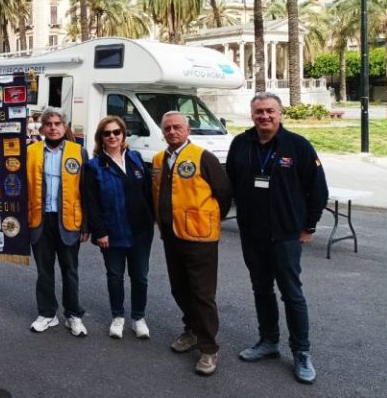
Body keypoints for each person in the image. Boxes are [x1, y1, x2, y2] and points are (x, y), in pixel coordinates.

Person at [226, 92, 328, 384]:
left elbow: (318, 190)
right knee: (261, 290)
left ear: (280, 114)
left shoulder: (297, 146)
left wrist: (309, 226)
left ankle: (301, 352)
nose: (264, 116)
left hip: (285, 235)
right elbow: (230, 182)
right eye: (259, 111)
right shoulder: (241, 144)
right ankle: (268, 341)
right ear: (252, 115)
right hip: (252, 234)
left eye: (270, 111)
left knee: (292, 294)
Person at [152, 111, 232, 376]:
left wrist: (207, 219)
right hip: (171, 236)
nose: (172, 132)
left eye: (177, 127)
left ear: (187, 130)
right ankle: (192, 330)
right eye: (168, 128)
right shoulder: (158, 159)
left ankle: (209, 349)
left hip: (200, 237)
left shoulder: (203, 157)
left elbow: (223, 193)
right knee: (179, 289)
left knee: (202, 294)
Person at [84, 116, 154, 340]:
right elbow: (91, 203)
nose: (113, 136)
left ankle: (138, 317)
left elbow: (148, 192)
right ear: (101, 138)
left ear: (123, 135)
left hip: (140, 231)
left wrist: (152, 219)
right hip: (111, 233)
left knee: (140, 276)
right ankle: (118, 317)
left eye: (116, 132)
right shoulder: (94, 166)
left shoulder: (136, 158)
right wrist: (100, 232)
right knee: (115, 276)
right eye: (107, 133)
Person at [26, 108, 88, 337]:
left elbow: (86, 191)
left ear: (65, 127)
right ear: (42, 128)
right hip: (39, 219)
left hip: (68, 221)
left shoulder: (78, 152)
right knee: (44, 271)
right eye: (49, 123)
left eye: (58, 123)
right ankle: (47, 313)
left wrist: (86, 225)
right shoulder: (30, 152)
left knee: (70, 271)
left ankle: (73, 315)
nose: (53, 127)